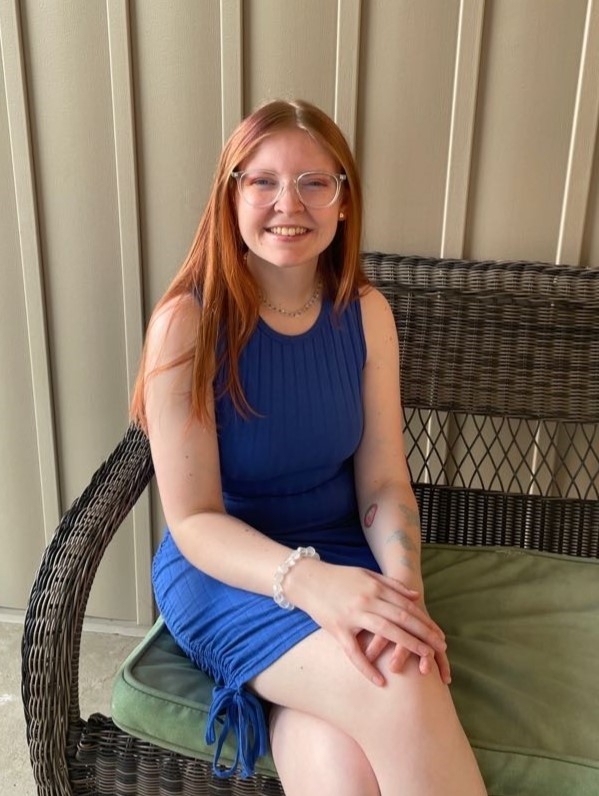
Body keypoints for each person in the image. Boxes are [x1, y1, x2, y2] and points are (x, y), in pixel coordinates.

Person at [130, 98, 487, 796]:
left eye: (313, 182)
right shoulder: (187, 324)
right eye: (260, 180)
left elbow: (382, 482)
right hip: (227, 570)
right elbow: (194, 520)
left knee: (338, 760)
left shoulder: (365, 314)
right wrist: (313, 585)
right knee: (401, 681)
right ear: (229, 196)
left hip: (344, 552)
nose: (285, 203)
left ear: (344, 200)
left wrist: (402, 592)